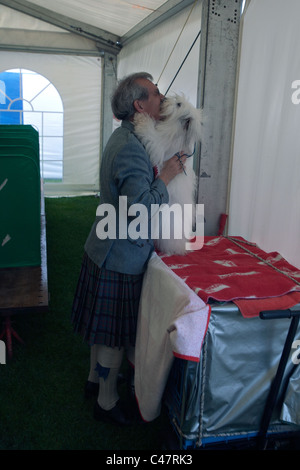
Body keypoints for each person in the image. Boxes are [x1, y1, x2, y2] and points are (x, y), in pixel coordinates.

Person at [71, 72, 187, 426]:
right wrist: (166, 176)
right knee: (114, 337)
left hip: (105, 249)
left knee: (103, 332)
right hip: (119, 255)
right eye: (155, 94)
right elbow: (139, 210)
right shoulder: (131, 149)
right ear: (140, 105)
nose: (162, 98)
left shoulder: (124, 136)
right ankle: (106, 403)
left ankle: (95, 381)